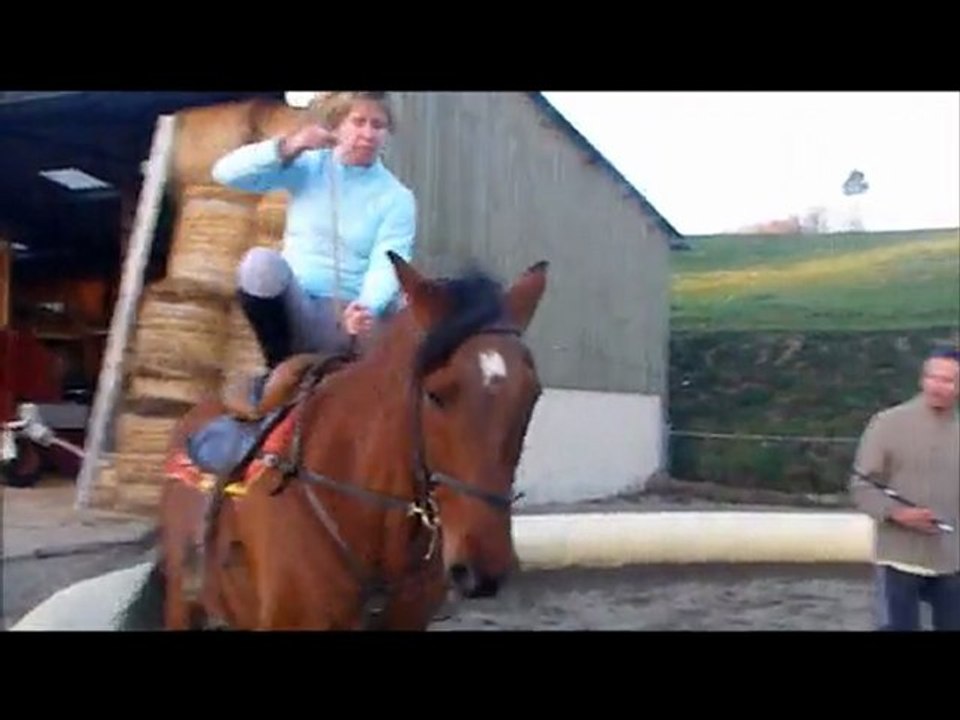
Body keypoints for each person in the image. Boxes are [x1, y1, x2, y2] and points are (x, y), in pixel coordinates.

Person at [211, 91, 417, 369]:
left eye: (377, 125)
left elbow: (387, 261)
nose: (368, 134)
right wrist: (289, 146)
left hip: (352, 317)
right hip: (299, 308)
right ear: (337, 125)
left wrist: (367, 307)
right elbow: (225, 173)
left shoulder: (396, 197)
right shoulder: (310, 167)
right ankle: (279, 369)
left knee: (409, 310)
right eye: (358, 122)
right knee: (259, 265)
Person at [849, 345, 960, 631]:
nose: (938, 386)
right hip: (898, 560)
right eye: (932, 377)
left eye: (948, 380)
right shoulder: (887, 423)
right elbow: (861, 485)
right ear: (922, 379)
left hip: (953, 562)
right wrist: (897, 514)